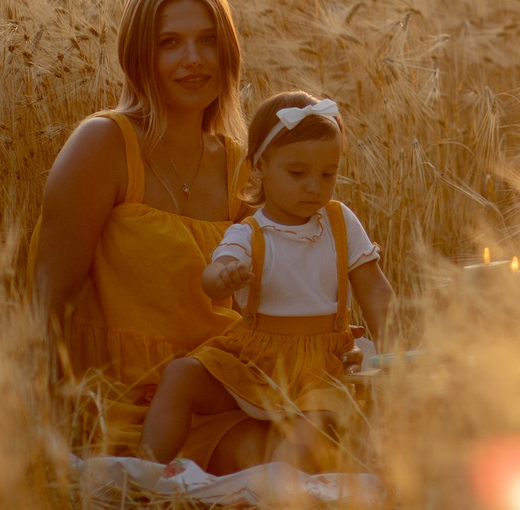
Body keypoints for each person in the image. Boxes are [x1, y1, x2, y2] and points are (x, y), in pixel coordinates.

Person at [32, 0, 276, 472]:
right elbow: (48, 302)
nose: (193, 59)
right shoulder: (103, 146)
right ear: (139, 56)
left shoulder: (241, 167)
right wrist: (52, 431)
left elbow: (264, 305)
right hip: (118, 406)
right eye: (170, 43)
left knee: (320, 442)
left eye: (208, 40)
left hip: (211, 394)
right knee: (267, 463)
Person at [139, 91, 396, 470]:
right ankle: (145, 472)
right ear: (260, 166)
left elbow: (375, 289)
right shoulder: (251, 233)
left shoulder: (340, 222)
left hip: (321, 369)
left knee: (312, 431)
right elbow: (212, 277)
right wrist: (224, 276)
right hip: (255, 360)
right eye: (298, 173)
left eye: (328, 173)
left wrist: (392, 348)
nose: (314, 186)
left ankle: (279, 487)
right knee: (181, 375)